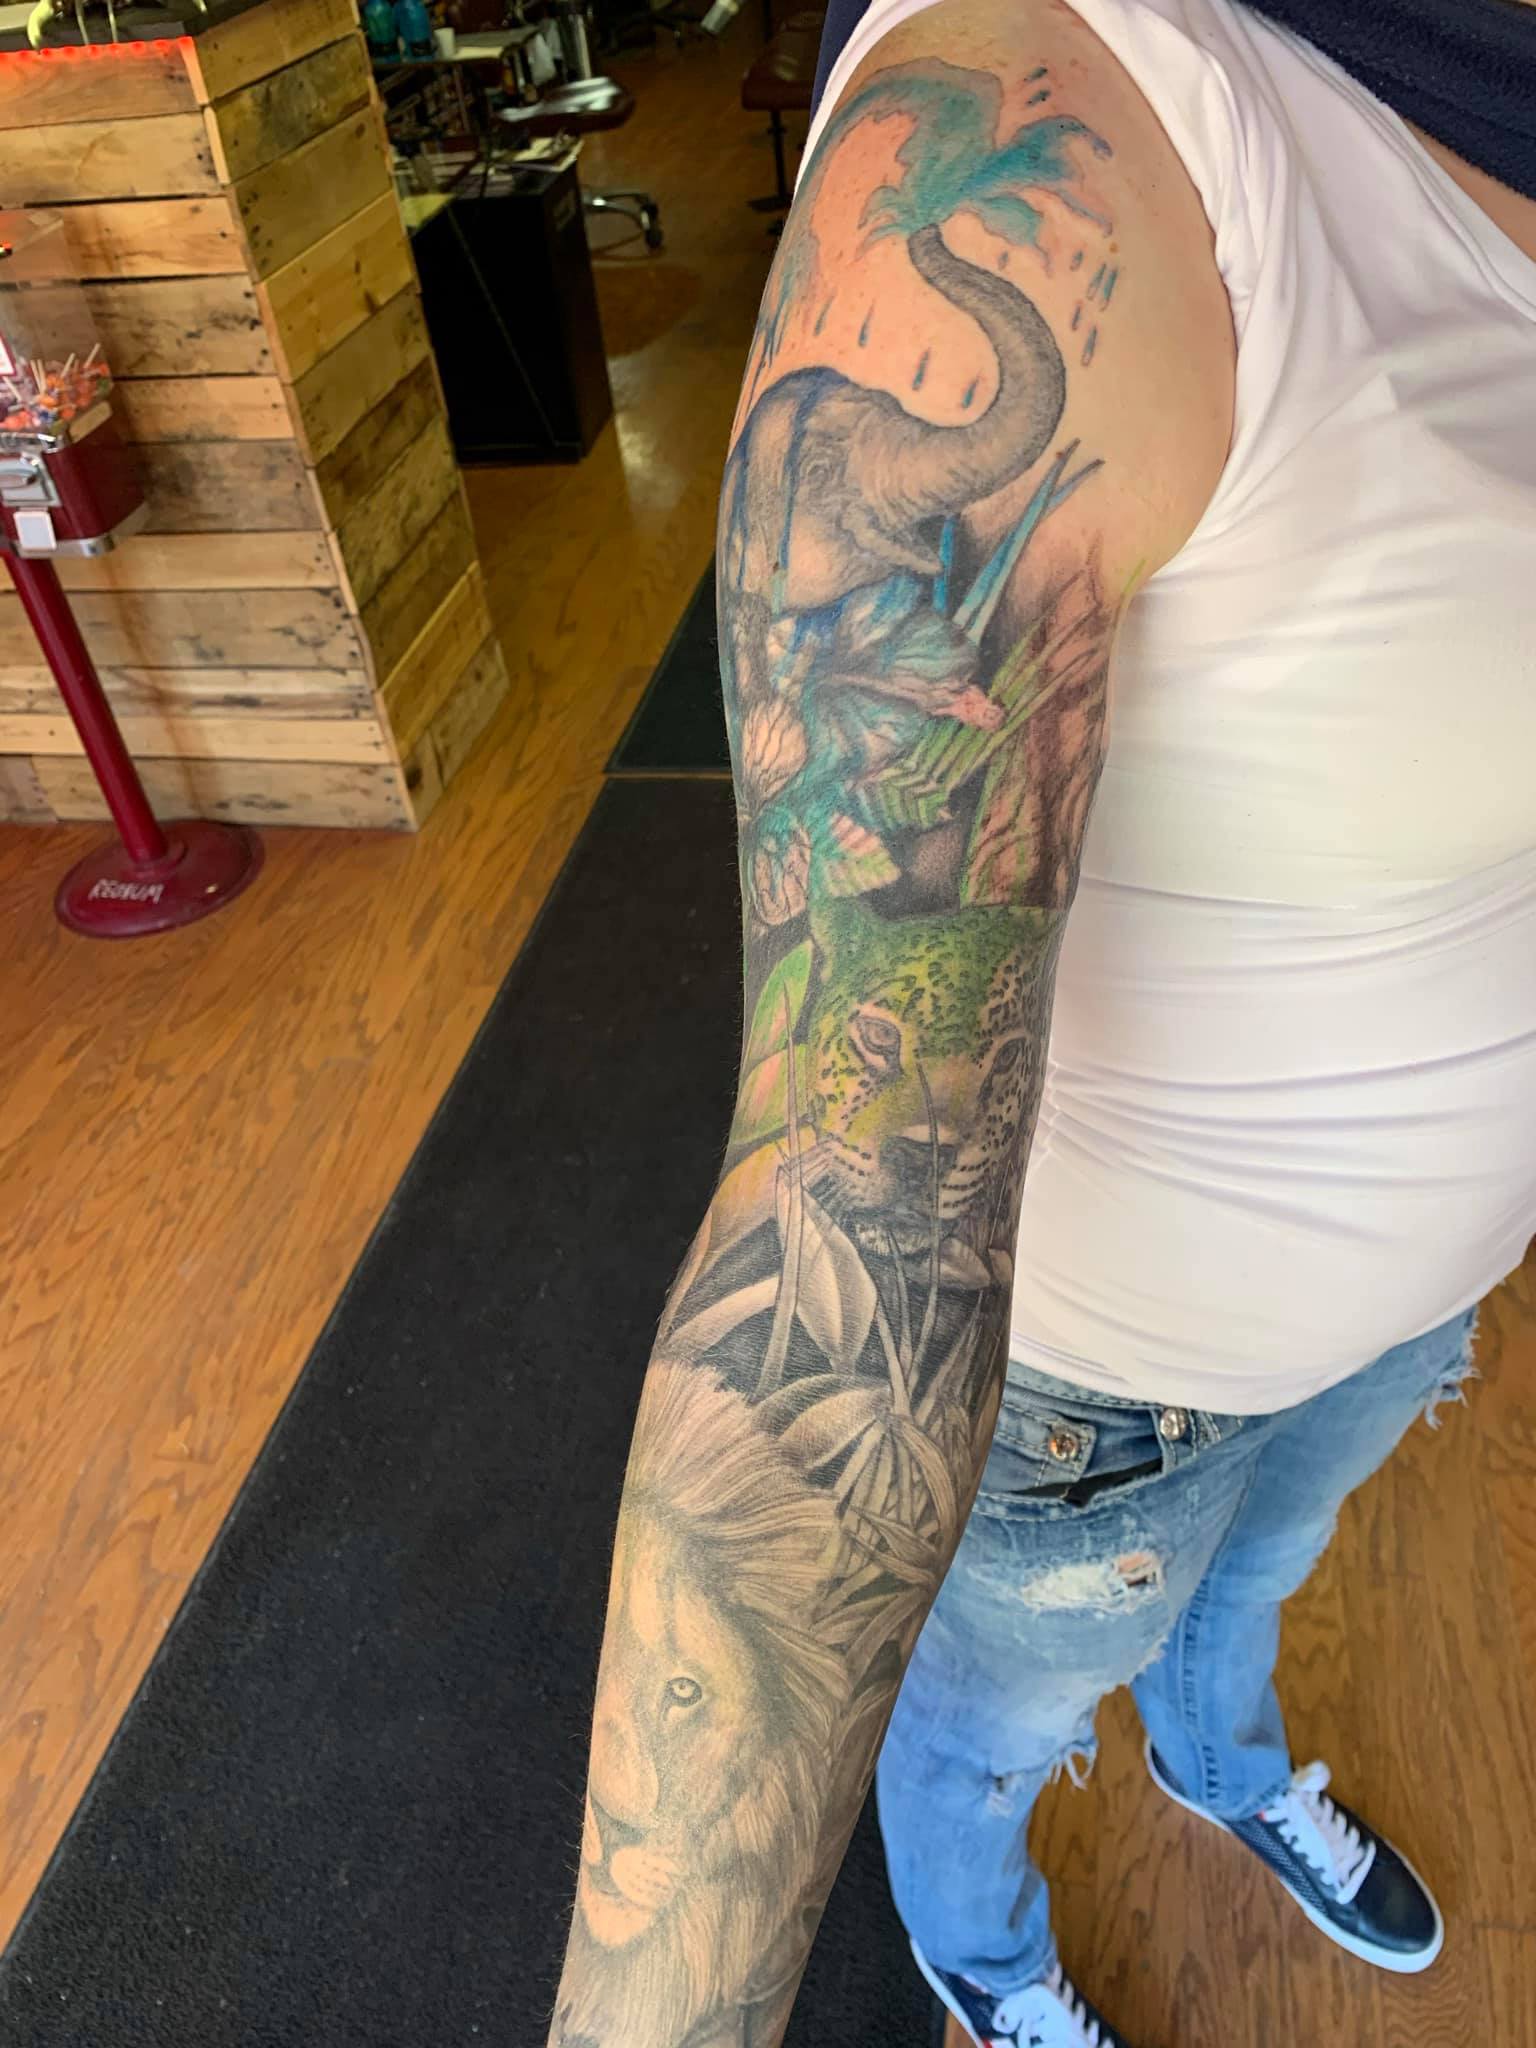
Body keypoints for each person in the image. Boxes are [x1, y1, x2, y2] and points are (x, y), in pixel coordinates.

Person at [547, 1, 1536, 2042]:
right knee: (996, 1720)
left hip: (1419, 1292)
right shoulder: (1078, 100)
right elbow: (841, 1213)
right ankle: (982, 1954)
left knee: (1257, 1578)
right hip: (1114, 1389)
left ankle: (1222, 1761)